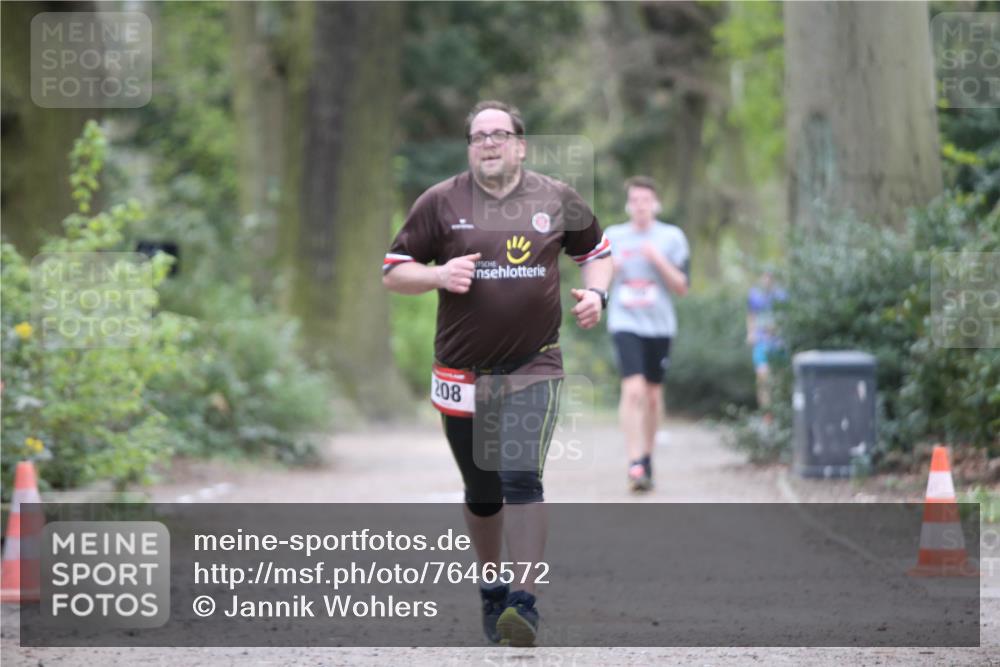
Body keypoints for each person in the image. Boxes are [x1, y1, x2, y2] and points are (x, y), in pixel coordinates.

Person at [381, 100, 613, 646]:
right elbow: (394, 273)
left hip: (534, 362)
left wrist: (597, 293)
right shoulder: (440, 202)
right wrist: (438, 276)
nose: (489, 143)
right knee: (482, 490)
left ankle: (524, 604)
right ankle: (492, 585)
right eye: (478, 136)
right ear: (470, 147)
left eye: (499, 134)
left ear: (520, 144)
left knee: (521, 478)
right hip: (461, 372)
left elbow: (598, 251)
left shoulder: (555, 197)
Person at [605, 176, 689, 492]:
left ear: (656, 204)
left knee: (653, 397)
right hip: (625, 322)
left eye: (646, 200)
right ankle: (634, 462)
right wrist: (612, 267)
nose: (640, 206)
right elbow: (598, 277)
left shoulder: (671, 237)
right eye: (635, 200)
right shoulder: (614, 236)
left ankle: (648, 456)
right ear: (628, 205)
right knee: (634, 389)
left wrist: (657, 260)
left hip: (660, 325)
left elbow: (682, 286)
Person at [746, 269, 787, 414]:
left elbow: (786, 318)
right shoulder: (754, 295)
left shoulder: (782, 296)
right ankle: (766, 414)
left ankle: (780, 413)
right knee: (762, 378)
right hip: (761, 343)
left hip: (779, 344)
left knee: (780, 381)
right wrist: (751, 333)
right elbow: (751, 315)